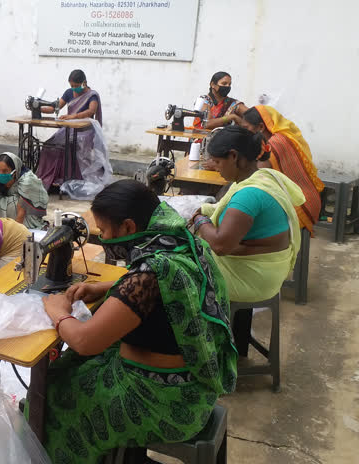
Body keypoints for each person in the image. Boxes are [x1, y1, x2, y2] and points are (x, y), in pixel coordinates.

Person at [38, 180, 237, 460]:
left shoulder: (148, 274)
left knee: (49, 401)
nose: (103, 238)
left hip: (160, 401)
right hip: (192, 389)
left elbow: (85, 341)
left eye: (105, 231)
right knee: (65, 372)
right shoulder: (179, 242)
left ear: (129, 227)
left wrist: (58, 312)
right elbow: (168, 287)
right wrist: (107, 286)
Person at [191, 126, 305, 356]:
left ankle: (195, 354)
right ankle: (231, 344)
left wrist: (202, 220)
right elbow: (231, 214)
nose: (215, 167)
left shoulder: (249, 194)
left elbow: (221, 245)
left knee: (173, 275)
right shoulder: (263, 175)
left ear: (234, 156)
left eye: (217, 161)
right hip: (267, 268)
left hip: (253, 277)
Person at [239, 105, 324, 235]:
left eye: (246, 128)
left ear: (261, 127)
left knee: (248, 218)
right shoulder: (283, 136)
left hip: (300, 204)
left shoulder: (275, 143)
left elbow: (259, 175)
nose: (245, 132)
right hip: (307, 197)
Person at [35, 69, 102, 190]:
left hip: (85, 130)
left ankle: (69, 178)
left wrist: (73, 116)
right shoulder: (68, 93)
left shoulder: (92, 95)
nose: (74, 88)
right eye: (72, 86)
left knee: (67, 146)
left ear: (84, 82)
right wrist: (38, 107)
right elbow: (55, 107)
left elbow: (91, 111)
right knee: (49, 145)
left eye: (76, 86)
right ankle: (51, 178)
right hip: (69, 127)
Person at [0, 152, 48, 229]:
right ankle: (1, 226)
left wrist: (14, 233)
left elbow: (21, 213)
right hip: (6, 219)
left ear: (14, 171)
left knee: (14, 203)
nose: (0, 174)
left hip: (25, 219)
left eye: (5, 171)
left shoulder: (27, 181)